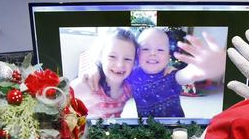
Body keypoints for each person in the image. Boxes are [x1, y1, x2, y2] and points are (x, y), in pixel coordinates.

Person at [80, 28, 226, 118]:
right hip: (144, 129)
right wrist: (96, 69)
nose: (153, 54)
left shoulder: (171, 76)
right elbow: (113, 71)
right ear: (137, 54)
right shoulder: (131, 75)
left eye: (160, 49)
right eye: (145, 49)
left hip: (175, 129)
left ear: (169, 54)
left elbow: (188, 74)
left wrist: (206, 68)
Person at [71, 29, 137, 118]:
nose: (120, 64)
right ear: (100, 56)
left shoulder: (130, 88)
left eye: (127, 59)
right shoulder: (88, 85)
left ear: (134, 62)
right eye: (112, 56)